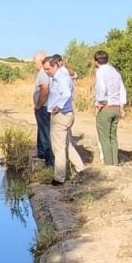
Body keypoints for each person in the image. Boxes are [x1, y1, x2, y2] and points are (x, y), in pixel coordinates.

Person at [44, 55, 86, 185]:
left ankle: (59, 178)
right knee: (67, 145)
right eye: (44, 69)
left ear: (55, 65)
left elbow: (67, 93)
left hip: (61, 115)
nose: (46, 71)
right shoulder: (63, 74)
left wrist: (59, 106)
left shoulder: (59, 77)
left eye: (48, 69)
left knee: (58, 148)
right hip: (67, 114)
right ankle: (81, 169)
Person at [93, 50, 127, 166]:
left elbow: (101, 88)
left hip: (106, 107)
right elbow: (122, 89)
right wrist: (122, 106)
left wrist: (101, 101)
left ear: (96, 61)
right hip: (116, 107)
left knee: (104, 138)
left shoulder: (100, 72)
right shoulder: (115, 72)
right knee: (113, 136)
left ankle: (108, 165)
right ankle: (115, 162)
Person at [32, 51, 53, 167]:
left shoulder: (44, 72)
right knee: (42, 131)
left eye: (34, 62)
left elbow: (45, 90)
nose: (34, 64)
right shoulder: (45, 72)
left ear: (40, 61)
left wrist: (38, 105)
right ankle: (42, 155)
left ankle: (47, 159)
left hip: (44, 107)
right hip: (45, 107)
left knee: (45, 133)